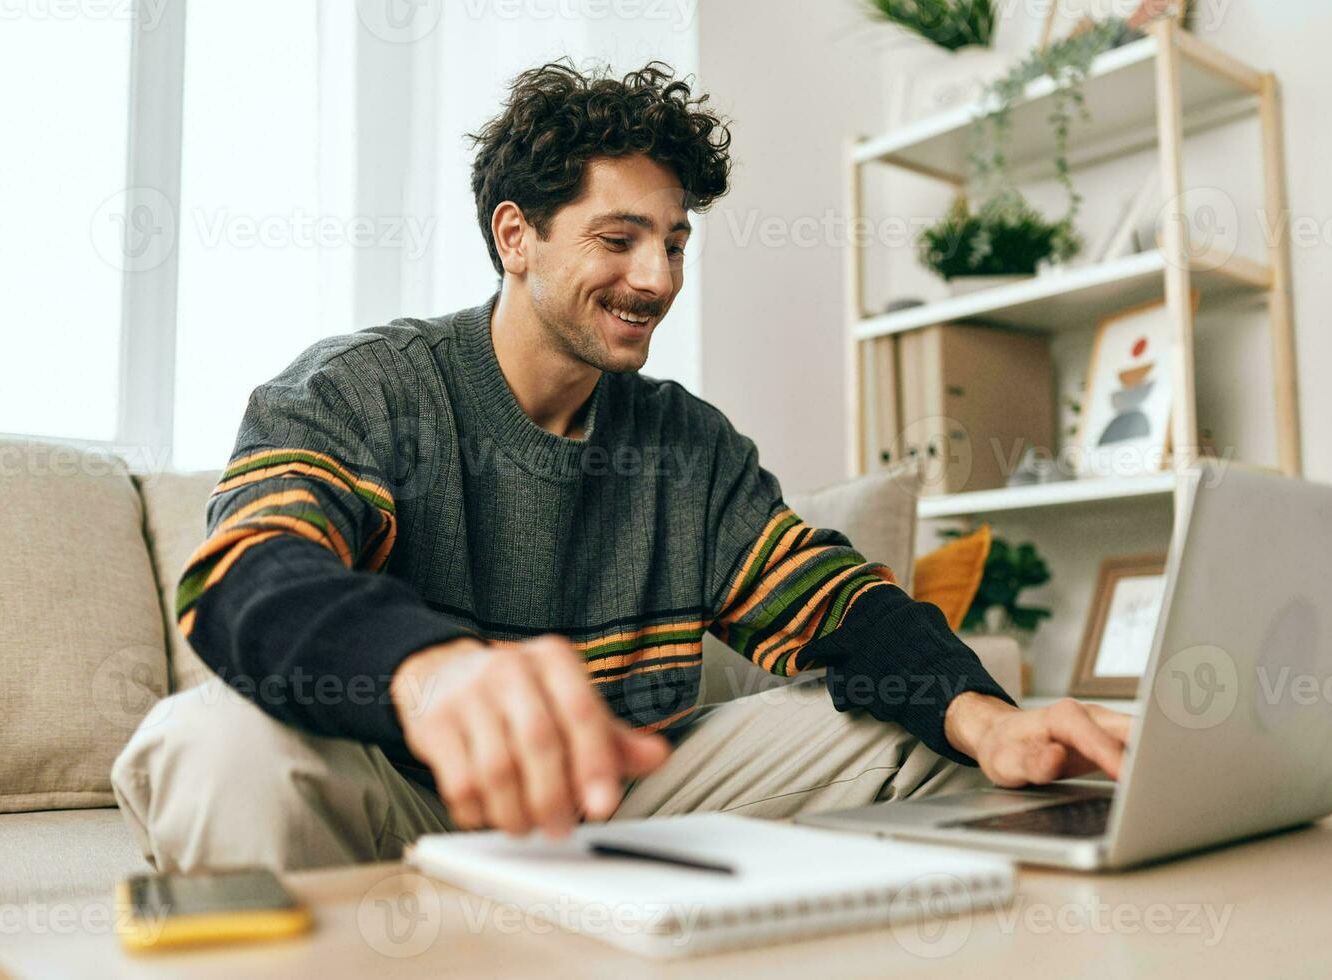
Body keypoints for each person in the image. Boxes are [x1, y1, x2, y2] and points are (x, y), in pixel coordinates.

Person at [112, 61, 1131, 873]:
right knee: (215, 742)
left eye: (675, 243)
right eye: (620, 238)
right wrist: (430, 673)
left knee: (917, 729)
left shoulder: (684, 443)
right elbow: (250, 569)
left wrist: (989, 713)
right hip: (402, 786)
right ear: (517, 236)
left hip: (619, 795)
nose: (658, 278)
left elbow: (834, 604)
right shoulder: (366, 387)